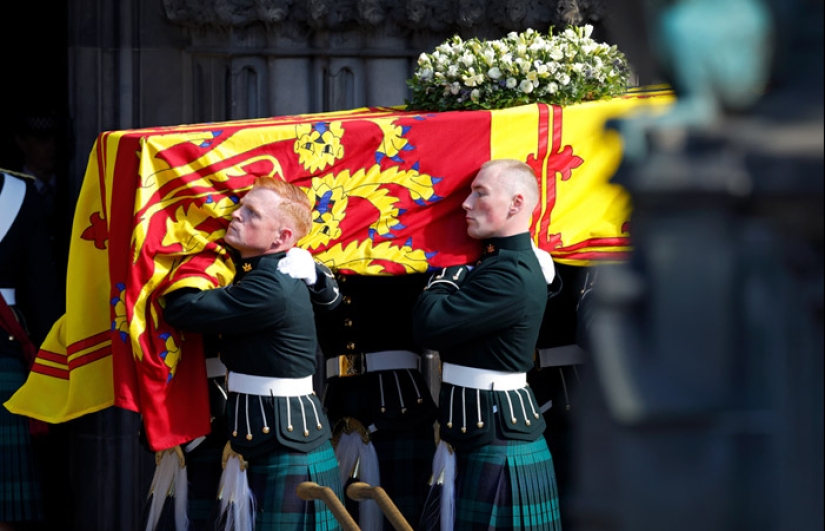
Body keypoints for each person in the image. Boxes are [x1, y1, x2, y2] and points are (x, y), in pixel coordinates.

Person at [161, 176, 344, 531]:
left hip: (286, 443)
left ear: (283, 237)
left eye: (252, 213)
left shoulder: (268, 287)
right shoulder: (258, 275)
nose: (236, 215)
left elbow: (181, 310)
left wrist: (189, 263)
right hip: (262, 438)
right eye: (240, 206)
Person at [412, 159, 562, 530]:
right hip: (476, 433)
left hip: (497, 437)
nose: (465, 204)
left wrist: (444, 278)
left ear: (516, 203)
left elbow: (431, 326)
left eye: (480, 193)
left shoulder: (510, 273)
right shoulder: (496, 266)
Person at [315, 272, 438, 530]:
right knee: (341, 511)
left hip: (398, 400)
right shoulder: (320, 253)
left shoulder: (404, 247)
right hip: (338, 400)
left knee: (403, 513)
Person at [1, 170, 61, 531]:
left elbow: (43, 290)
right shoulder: (21, 192)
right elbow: (43, 294)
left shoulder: (21, 193)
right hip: (7, 344)